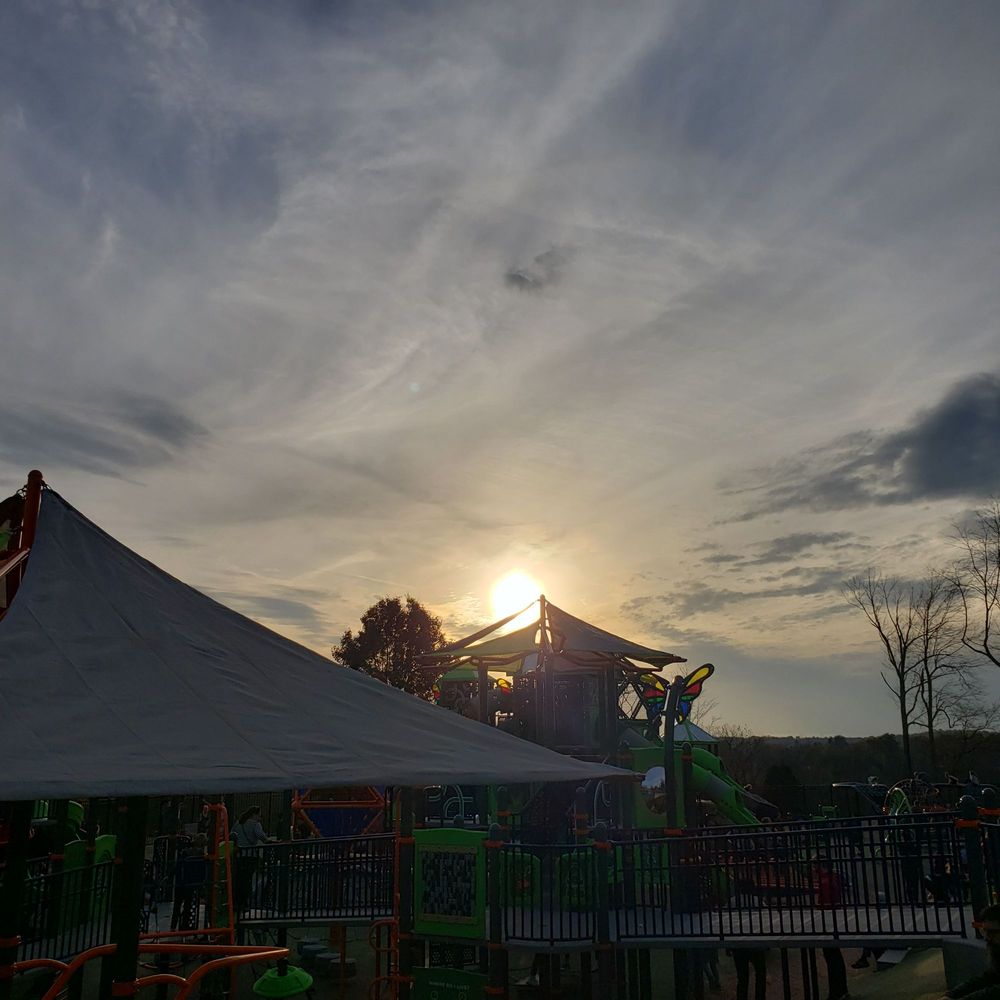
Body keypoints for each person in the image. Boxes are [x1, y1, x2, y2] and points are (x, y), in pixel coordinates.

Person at [940, 904, 1000, 999]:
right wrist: (953, 994)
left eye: (992, 932)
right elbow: (990, 977)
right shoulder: (996, 948)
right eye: (984, 931)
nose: (987, 937)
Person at [231, 806, 270, 913]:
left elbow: (232, 835)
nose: (260, 818)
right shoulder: (255, 824)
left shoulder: (238, 823)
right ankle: (244, 904)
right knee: (247, 880)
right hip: (250, 855)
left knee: (239, 879)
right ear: (254, 814)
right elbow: (262, 837)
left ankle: (236, 903)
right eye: (259, 815)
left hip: (239, 855)